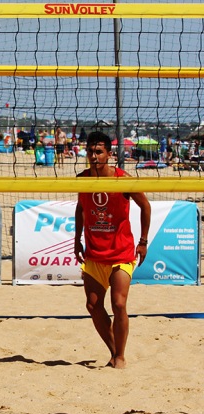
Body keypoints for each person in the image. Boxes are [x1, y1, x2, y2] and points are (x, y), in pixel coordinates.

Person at [74, 131, 151, 369]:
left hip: (121, 253)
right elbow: (80, 209)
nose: (94, 156)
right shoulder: (82, 179)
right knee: (93, 305)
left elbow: (145, 206)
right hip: (95, 253)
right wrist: (76, 239)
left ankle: (120, 357)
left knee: (118, 304)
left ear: (109, 154)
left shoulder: (122, 179)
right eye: (90, 151)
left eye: (98, 152)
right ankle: (114, 351)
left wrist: (143, 241)